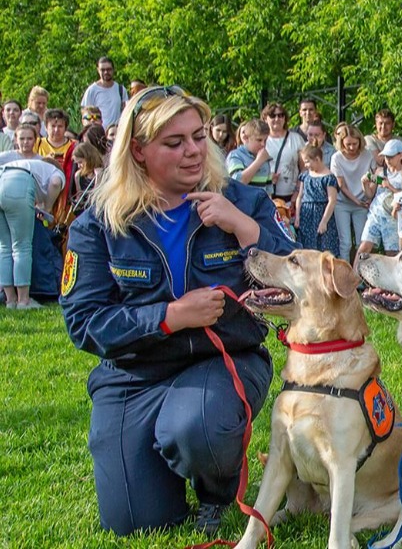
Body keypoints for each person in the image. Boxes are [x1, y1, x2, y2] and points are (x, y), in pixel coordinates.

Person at [60, 86, 297, 537]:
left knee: (196, 429)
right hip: (133, 374)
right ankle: (161, 463)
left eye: (198, 136)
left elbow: (298, 279)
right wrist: (169, 316)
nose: (193, 151)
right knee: (135, 523)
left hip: (223, 359)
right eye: (174, 143)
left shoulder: (243, 201)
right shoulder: (99, 221)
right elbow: (85, 323)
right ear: (138, 150)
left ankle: (216, 487)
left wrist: (243, 228)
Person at [0, 125, 65, 309]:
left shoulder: (25, 163)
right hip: (18, 184)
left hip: (0, 180)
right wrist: (50, 207)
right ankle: (24, 300)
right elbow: (54, 183)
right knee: (21, 247)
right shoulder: (53, 170)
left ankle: (10, 300)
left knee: (4, 247)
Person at [331, 122, 376, 262]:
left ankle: (361, 273)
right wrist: (357, 201)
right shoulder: (337, 158)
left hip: (363, 203)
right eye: (347, 144)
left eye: (354, 144)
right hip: (342, 203)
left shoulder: (367, 155)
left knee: (361, 241)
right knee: (345, 243)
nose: (351, 148)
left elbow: (374, 178)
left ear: (360, 142)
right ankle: (344, 273)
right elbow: (341, 185)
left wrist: (370, 196)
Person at [356, 139, 402, 257]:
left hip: (392, 217)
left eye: (391, 156)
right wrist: (365, 184)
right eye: (386, 156)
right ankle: (354, 274)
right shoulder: (380, 171)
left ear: (400, 155)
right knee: (363, 248)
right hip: (376, 214)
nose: (387, 160)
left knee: (392, 253)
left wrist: (390, 187)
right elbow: (370, 194)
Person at [295, 144, 339, 254]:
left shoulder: (328, 177)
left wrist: (324, 222)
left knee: (323, 247)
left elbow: (332, 200)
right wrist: (297, 216)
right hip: (306, 215)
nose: (305, 165)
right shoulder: (305, 176)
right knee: (306, 248)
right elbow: (300, 196)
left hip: (321, 214)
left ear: (317, 159)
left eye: (307, 161)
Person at [262, 102, 305, 204]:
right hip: (267, 195)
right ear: (265, 118)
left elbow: (304, 168)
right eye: (272, 116)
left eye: (281, 115)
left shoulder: (296, 139)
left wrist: (298, 192)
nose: (277, 119)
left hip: (290, 196)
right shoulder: (261, 140)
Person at [226, 119, 273, 196]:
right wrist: (258, 161)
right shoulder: (236, 155)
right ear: (246, 138)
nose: (263, 144)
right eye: (259, 140)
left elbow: (268, 191)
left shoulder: (264, 159)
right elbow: (238, 182)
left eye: (265, 140)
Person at [81, 57, 129, 128]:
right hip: (97, 132)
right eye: (102, 70)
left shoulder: (121, 90)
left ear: (113, 70)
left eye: (109, 69)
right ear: (98, 70)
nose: (106, 72)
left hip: (115, 132)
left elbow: (126, 112)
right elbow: (85, 113)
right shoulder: (92, 90)